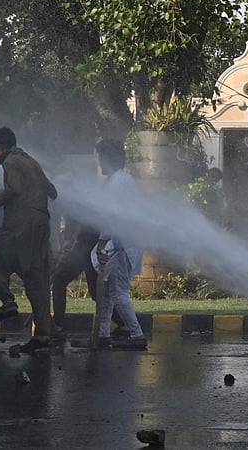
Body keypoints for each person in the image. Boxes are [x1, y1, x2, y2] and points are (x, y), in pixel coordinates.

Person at [0, 127, 58, 353]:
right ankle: (42, 335)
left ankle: (8, 301)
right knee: (37, 277)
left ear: (3, 147)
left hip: (21, 222)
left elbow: (13, 190)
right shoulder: (32, 162)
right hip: (42, 224)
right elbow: (53, 192)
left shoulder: (11, 161)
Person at [93, 139, 148, 350]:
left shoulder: (119, 182)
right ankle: (103, 333)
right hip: (120, 244)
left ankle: (137, 334)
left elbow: (113, 216)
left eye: (100, 158)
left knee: (118, 293)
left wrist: (102, 241)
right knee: (107, 293)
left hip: (122, 245)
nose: (98, 163)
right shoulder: (120, 180)